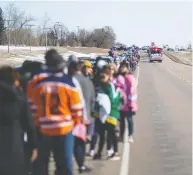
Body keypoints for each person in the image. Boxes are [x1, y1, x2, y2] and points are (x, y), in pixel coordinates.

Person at [33, 50, 83, 175]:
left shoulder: (38, 85)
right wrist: (73, 124)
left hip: (44, 129)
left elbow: (34, 109)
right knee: (64, 165)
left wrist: (39, 123)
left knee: (42, 163)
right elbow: (77, 110)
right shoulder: (69, 84)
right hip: (64, 129)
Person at [0, 66, 37, 175]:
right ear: (15, 80)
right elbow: (29, 125)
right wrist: (33, 146)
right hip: (14, 145)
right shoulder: (19, 97)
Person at [67, 55, 95, 173]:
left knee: (68, 145)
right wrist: (89, 115)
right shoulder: (87, 82)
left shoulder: (68, 80)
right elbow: (93, 100)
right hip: (83, 118)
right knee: (80, 143)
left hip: (69, 118)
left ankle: (68, 168)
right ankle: (81, 164)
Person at [93, 65, 121, 160]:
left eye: (104, 76)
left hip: (111, 113)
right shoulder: (100, 86)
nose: (102, 78)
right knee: (102, 135)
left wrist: (103, 99)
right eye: (101, 76)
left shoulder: (110, 86)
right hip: (102, 114)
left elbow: (113, 99)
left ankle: (115, 152)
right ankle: (99, 153)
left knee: (111, 134)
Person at [116, 62, 137, 143]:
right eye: (121, 67)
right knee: (121, 122)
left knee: (129, 120)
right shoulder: (118, 77)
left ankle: (130, 135)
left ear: (127, 68)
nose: (122, 68)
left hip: (129, 104)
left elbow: (133, 91)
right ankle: (121, 136)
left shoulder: (130, 77)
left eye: (124, 67)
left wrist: (131, 103)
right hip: (120, 104)